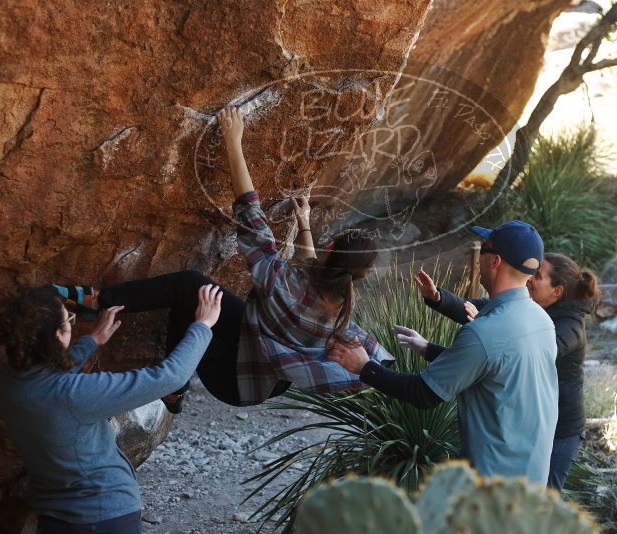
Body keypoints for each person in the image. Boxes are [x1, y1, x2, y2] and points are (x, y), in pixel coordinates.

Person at [55, 107, 393, 411]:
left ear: (331, 251)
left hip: (234, 378)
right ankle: (168, 385)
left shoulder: (281, 283)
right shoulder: (341, 309)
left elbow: (251, 216)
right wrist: (303, 224)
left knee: (191, 290)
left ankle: (107, 309)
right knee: (203, 299)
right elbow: (311, 273)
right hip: (264, 371)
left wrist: (234, 142)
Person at [328, 222, 558, 484]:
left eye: (483, 248)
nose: (479, 256)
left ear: (495, 261)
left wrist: (365, 367)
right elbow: (489, 367)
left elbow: (425, 393)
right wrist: (426, 347)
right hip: (530, 478)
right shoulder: (541, 321)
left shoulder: (484, 332)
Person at [0, 284, 222, 533]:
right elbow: (170, 376)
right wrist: (202, 325)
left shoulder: (7, 382)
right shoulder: (75, 395)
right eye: (69, 319)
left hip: (54, 519)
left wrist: (91, 341)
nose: (72, 320)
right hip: (105, 517)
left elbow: (46, 379)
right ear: (58, 335)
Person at [404, 252, 599, 490]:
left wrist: (487, 328)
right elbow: (478, 309)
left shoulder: (571, 327)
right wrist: (438, 298)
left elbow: (516, 351)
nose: (528, 279)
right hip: (528, 421)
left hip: (560, 430)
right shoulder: (525, 307)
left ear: (556, 291)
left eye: (537, 276)